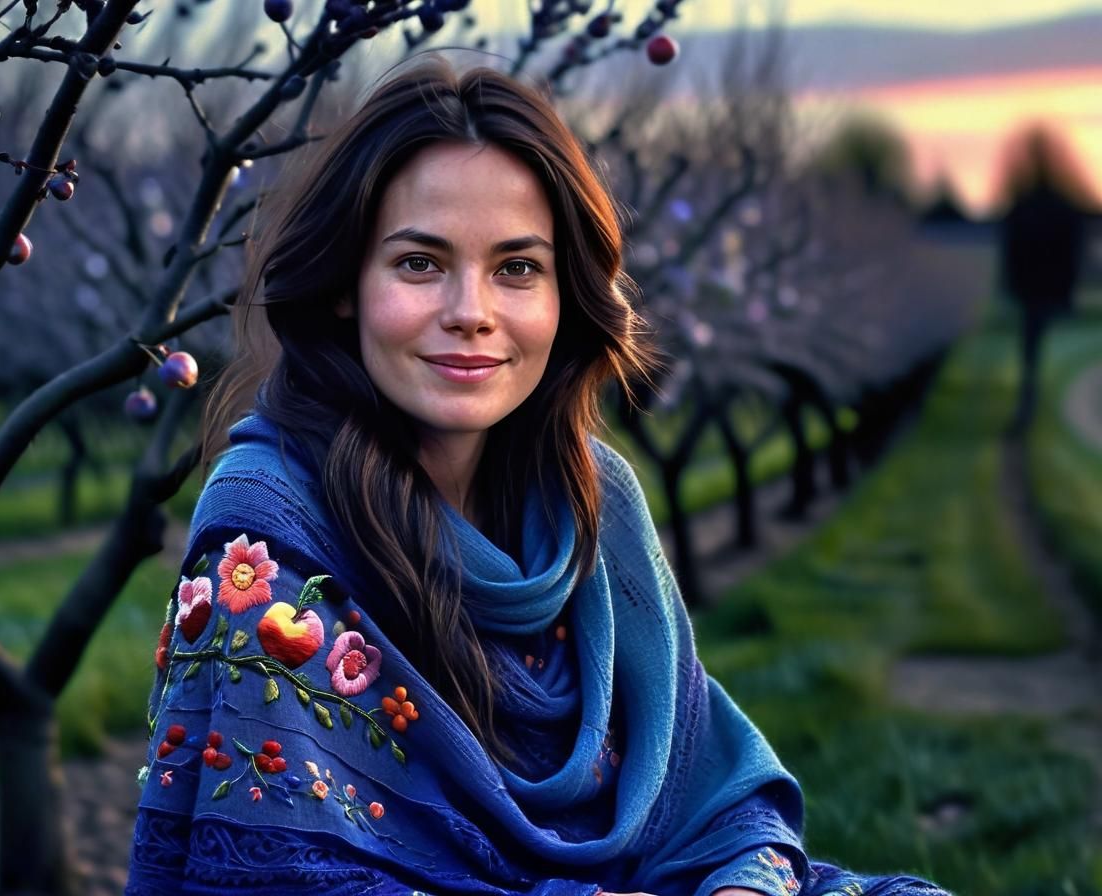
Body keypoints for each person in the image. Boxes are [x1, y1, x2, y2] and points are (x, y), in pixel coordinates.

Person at [127, 59, 947, 896]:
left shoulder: (594, 503)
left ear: (566, 297)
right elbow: (286, 878)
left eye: (517, 268)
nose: (471, 310)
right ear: (345, 286)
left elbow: (715, 806)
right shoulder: (269, 527)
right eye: (419, 264)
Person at [999, 124, 1092, 434]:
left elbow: (1012, 252)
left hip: (1037, 293)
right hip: (1048, 292)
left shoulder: (1025, 208)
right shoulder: (1059, 208)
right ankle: (1047, 414)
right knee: (1044, 359)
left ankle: (1035, 413)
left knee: (1035, 359)